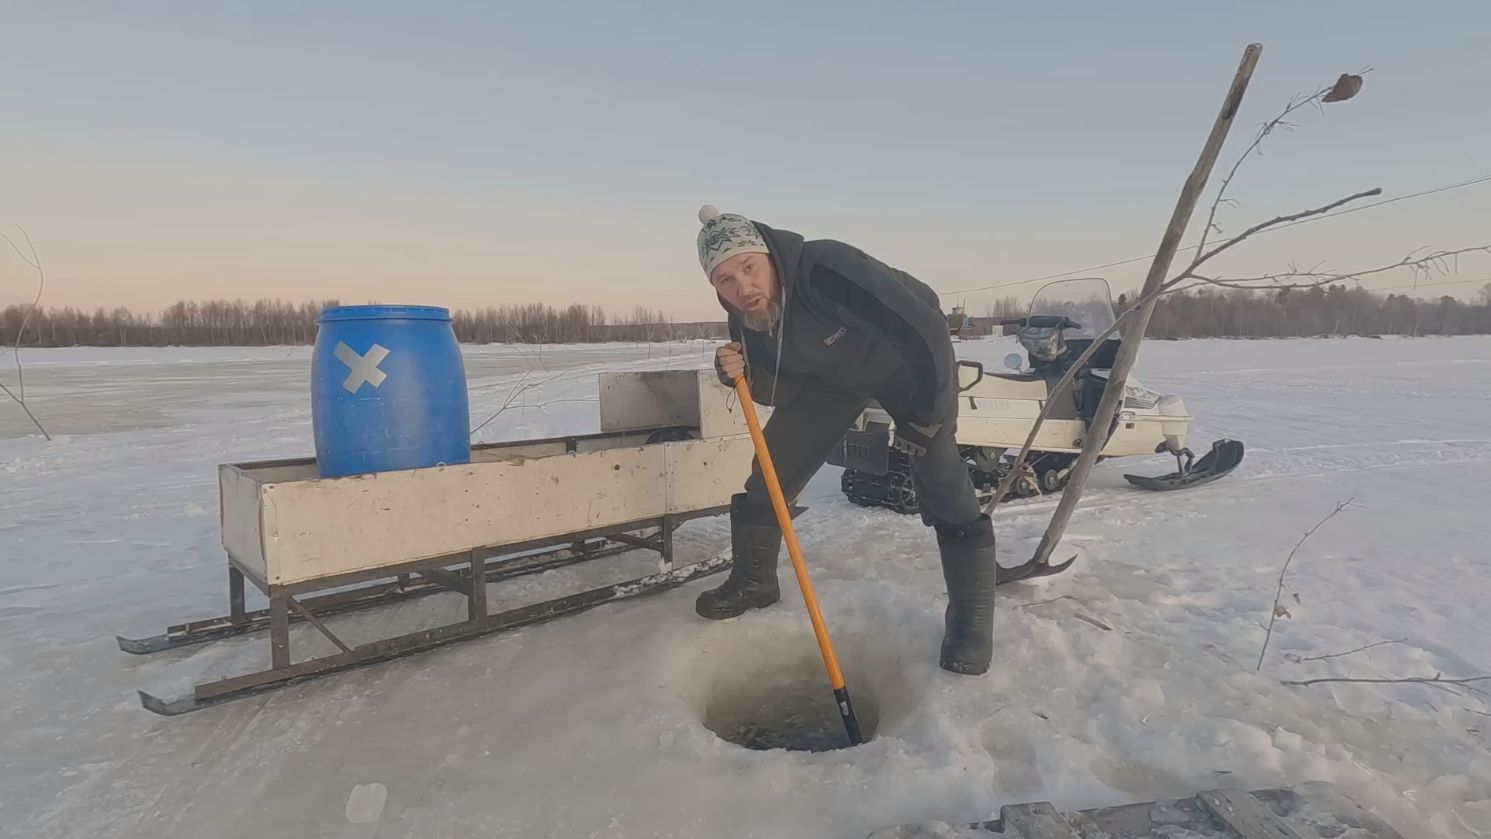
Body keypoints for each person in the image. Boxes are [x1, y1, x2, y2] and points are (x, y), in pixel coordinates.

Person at [692, 204, 997, 676]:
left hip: (902, 362)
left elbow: (927, 333)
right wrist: (739, 374)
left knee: (938, 472)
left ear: (768, 254)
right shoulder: (748, 319)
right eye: (725, 280)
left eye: (748, 268)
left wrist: (929, 417)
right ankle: (754, 582)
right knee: (773, 470)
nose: (742, 288)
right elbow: (777, 391)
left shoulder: (826, 268)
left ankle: (971, 622)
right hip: (831, 381)